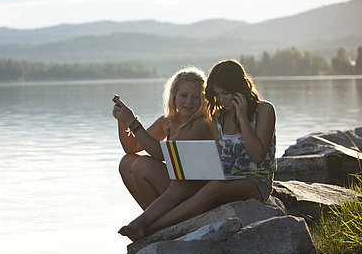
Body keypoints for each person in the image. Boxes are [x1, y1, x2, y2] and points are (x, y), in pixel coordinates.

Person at [119, 59, 277, 241]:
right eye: (218, 94)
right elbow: (218, 157)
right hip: (224, 178)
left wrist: (242, 118)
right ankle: (140, 222)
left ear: (239, 88)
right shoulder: (219, 116)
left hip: (254, 182)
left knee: (215, 187)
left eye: (226, 93)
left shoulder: (264, 110)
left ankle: (153, 228)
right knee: (181, 184)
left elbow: (257, 155)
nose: (222, 99)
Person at [113, 67, 212, 210]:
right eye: (184, 95)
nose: (189, 101)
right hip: (175, 185)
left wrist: (133, 122)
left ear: (204, 99)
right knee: (127, 162)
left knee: (142, 165)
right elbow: (132, 147)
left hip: (193, 191)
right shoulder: (167, 122)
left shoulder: (201, 124)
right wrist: (123, 119)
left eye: (196, 97)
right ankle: (152, 215)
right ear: (174, 95)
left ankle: (157, 220)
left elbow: (163, 154)